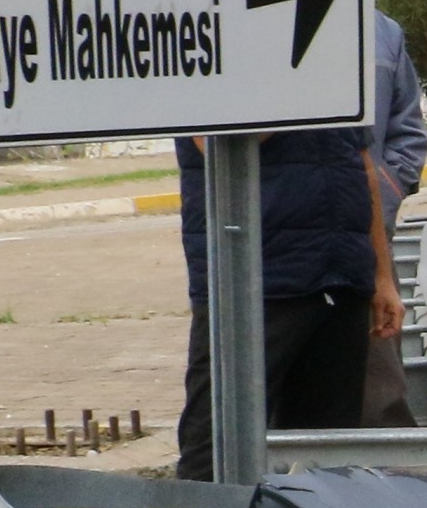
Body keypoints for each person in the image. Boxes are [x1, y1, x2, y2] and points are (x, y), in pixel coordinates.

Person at [169, 115, 400, 482]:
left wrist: (381, 276)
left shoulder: (334, 68)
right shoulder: (223, 66)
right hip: (252, 284)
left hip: (341, 278)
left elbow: (362, 165)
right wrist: (291, 93)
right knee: (214, 455)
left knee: (327, 460)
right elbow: (213, 145)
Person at [354, 12, 427, 428]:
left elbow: (409, 132)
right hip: (285, 248)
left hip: (371, 244)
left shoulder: (383, 33)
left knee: (380, 389)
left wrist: (382, 195)